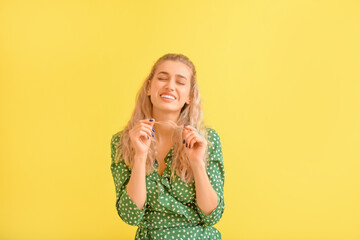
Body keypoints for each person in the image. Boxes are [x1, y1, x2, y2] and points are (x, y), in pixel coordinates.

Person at [110, 53, 225, 239]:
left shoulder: (206, 140)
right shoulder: (123, 141)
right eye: (162, 78)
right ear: (149, 87)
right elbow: (130, 215)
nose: (170, 86)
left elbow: (212, 215)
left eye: (180, 82)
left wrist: (197, 163)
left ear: (189, 96)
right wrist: (140, 156)